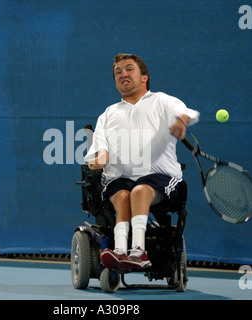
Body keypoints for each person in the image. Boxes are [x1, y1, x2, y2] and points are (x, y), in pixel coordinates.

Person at [84, 53, 199, 272]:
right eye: (118, 72)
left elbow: (185, 112)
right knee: (122, 194)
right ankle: (119, 252)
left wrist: (180, 122)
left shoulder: (162, 100)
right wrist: (97, 161)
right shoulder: (108, 114)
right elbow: (100, 152)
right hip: (119, 179)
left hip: (160, 178)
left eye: (129, 69)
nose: (123, 74)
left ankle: (138, 251)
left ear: (144, 77)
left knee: (138, 191)